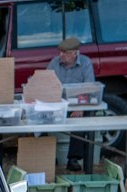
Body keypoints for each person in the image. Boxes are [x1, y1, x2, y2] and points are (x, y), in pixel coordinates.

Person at [47, 37, 95, 171]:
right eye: (60, 52)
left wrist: (80, 108)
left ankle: (73, 158)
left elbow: (89, 88)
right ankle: (49, 157)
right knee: (41, 120)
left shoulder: (85, 63)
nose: (60, 55)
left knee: (80, 121)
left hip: (77, 103)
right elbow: (44, 82)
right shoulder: (54, 63)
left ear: (75, 53)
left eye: (65, 52)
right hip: (56, 103)